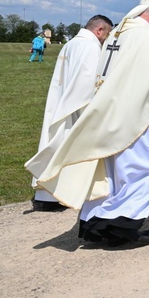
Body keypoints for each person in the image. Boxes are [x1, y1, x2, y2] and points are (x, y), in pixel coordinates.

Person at [26, 0, 149, 247]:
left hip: (111, 111)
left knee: (114, 174)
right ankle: (119, 224)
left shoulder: (119, 32)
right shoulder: (144, 35)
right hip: (135, 115)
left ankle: (95, 223)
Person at [30, 15, 114, 211]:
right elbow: (90, 84)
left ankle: (46, 194)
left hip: (62, 101)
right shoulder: (91, 47)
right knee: (68, 147)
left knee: (55, 144)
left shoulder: (72, 44)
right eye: (107, 34)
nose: (106, 39)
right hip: (76, 106)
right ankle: (63, 192)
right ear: (99, 30)